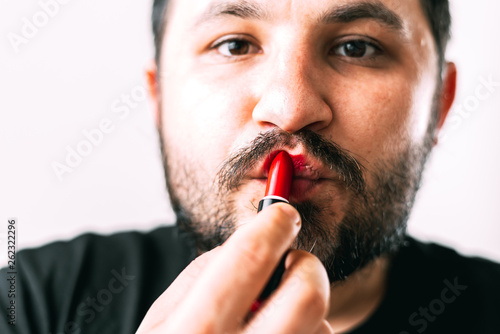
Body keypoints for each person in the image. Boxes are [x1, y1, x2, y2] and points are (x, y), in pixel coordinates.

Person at [2, 0, 500, 333]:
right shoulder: (29, 303)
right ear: (158, 99)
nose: (290, 107)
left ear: (439, 105)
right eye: (234, 44)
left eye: (356, 47)